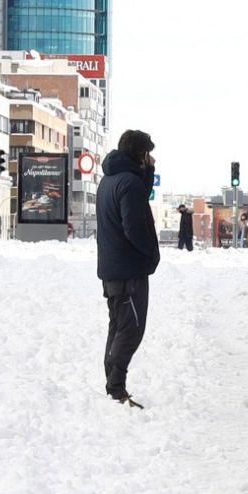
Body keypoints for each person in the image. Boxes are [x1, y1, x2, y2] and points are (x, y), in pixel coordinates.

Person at [97, 130, 161, 408]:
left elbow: (137, 197)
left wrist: (146, 173)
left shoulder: (111, 179)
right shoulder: (129, 184)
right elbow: (134, 227)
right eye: (148, 153)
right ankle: (116, 389)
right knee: (131, 330)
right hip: (129, 270)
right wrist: (151, 254)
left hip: (113, 268)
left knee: (119, 327)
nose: (152, 158)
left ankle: (113, 385)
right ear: (140, 155)